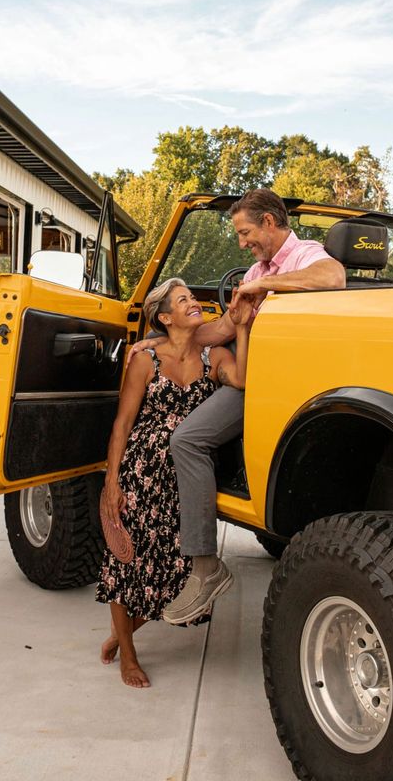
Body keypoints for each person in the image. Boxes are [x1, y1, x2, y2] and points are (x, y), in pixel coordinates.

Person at [128, 189, 346, 626]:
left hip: (286, 385)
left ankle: (204, 568)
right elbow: (224, 328)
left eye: (246, 232)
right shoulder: (255, 269)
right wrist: (159, 342)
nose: (242, 242)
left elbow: (334, 277)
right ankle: (203, 562)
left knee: (186, 440)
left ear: (269, 222)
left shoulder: (303, 254)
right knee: (185, 437)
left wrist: (262, 286)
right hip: (254, 381)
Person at [96, 276, 252, 689]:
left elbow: (242, 381)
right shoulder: (145, 360)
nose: (194, 303)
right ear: (165, 317)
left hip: (185, 481)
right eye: (184, 300)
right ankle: (129, 655)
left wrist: (243, 327)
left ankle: (120, 633)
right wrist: (112, 482)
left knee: (178, 575)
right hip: (141, 471)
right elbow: (122, 424)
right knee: (125, 565)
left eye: (193, 298)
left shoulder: (212, 354)